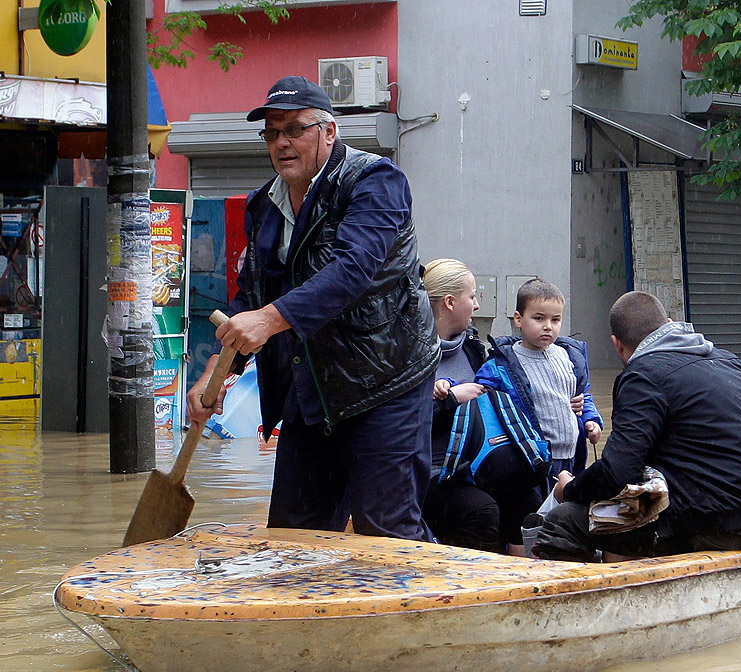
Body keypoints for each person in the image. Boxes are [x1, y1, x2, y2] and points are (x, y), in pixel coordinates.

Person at [186, 76, 439, 540]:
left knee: (387, 532)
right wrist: (215, 374)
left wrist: (266, 320)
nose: (281, 143)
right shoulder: (263, 205)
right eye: (271, 133)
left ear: (329, 132)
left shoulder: (376, 181)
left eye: (294, 130)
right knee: (291, 538)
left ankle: (438, 606)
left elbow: (351, 272)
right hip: (312, 389)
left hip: (385, 383)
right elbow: (251, 297)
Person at [532, 291, 741, 562]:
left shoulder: (642, 375)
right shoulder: (728, 362)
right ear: (669, 323)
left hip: (714, 525)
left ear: (617, 344)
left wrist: (569, 489)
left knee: (564, 520)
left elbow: (618, 472)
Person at [421, 258, 542, 553]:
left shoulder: (474, 348)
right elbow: (398, 422)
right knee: (480, 510)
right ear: (449, 302)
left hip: (475, 462)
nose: (477, 305)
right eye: (472, 296)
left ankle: (525, 583)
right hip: (430, 472)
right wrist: (449, 400)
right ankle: (476, 585)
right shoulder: (410, 354)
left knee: (527, 496)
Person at [474, 278, 603, 486]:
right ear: (518, 319)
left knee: (567, 511)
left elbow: (582, 395)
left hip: (571, 455)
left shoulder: (570, 357)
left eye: (555, 320)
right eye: (539, 318)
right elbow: (478, 397)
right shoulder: (500, 366)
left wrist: (591, 420)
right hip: (529, 459)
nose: (548, 327)